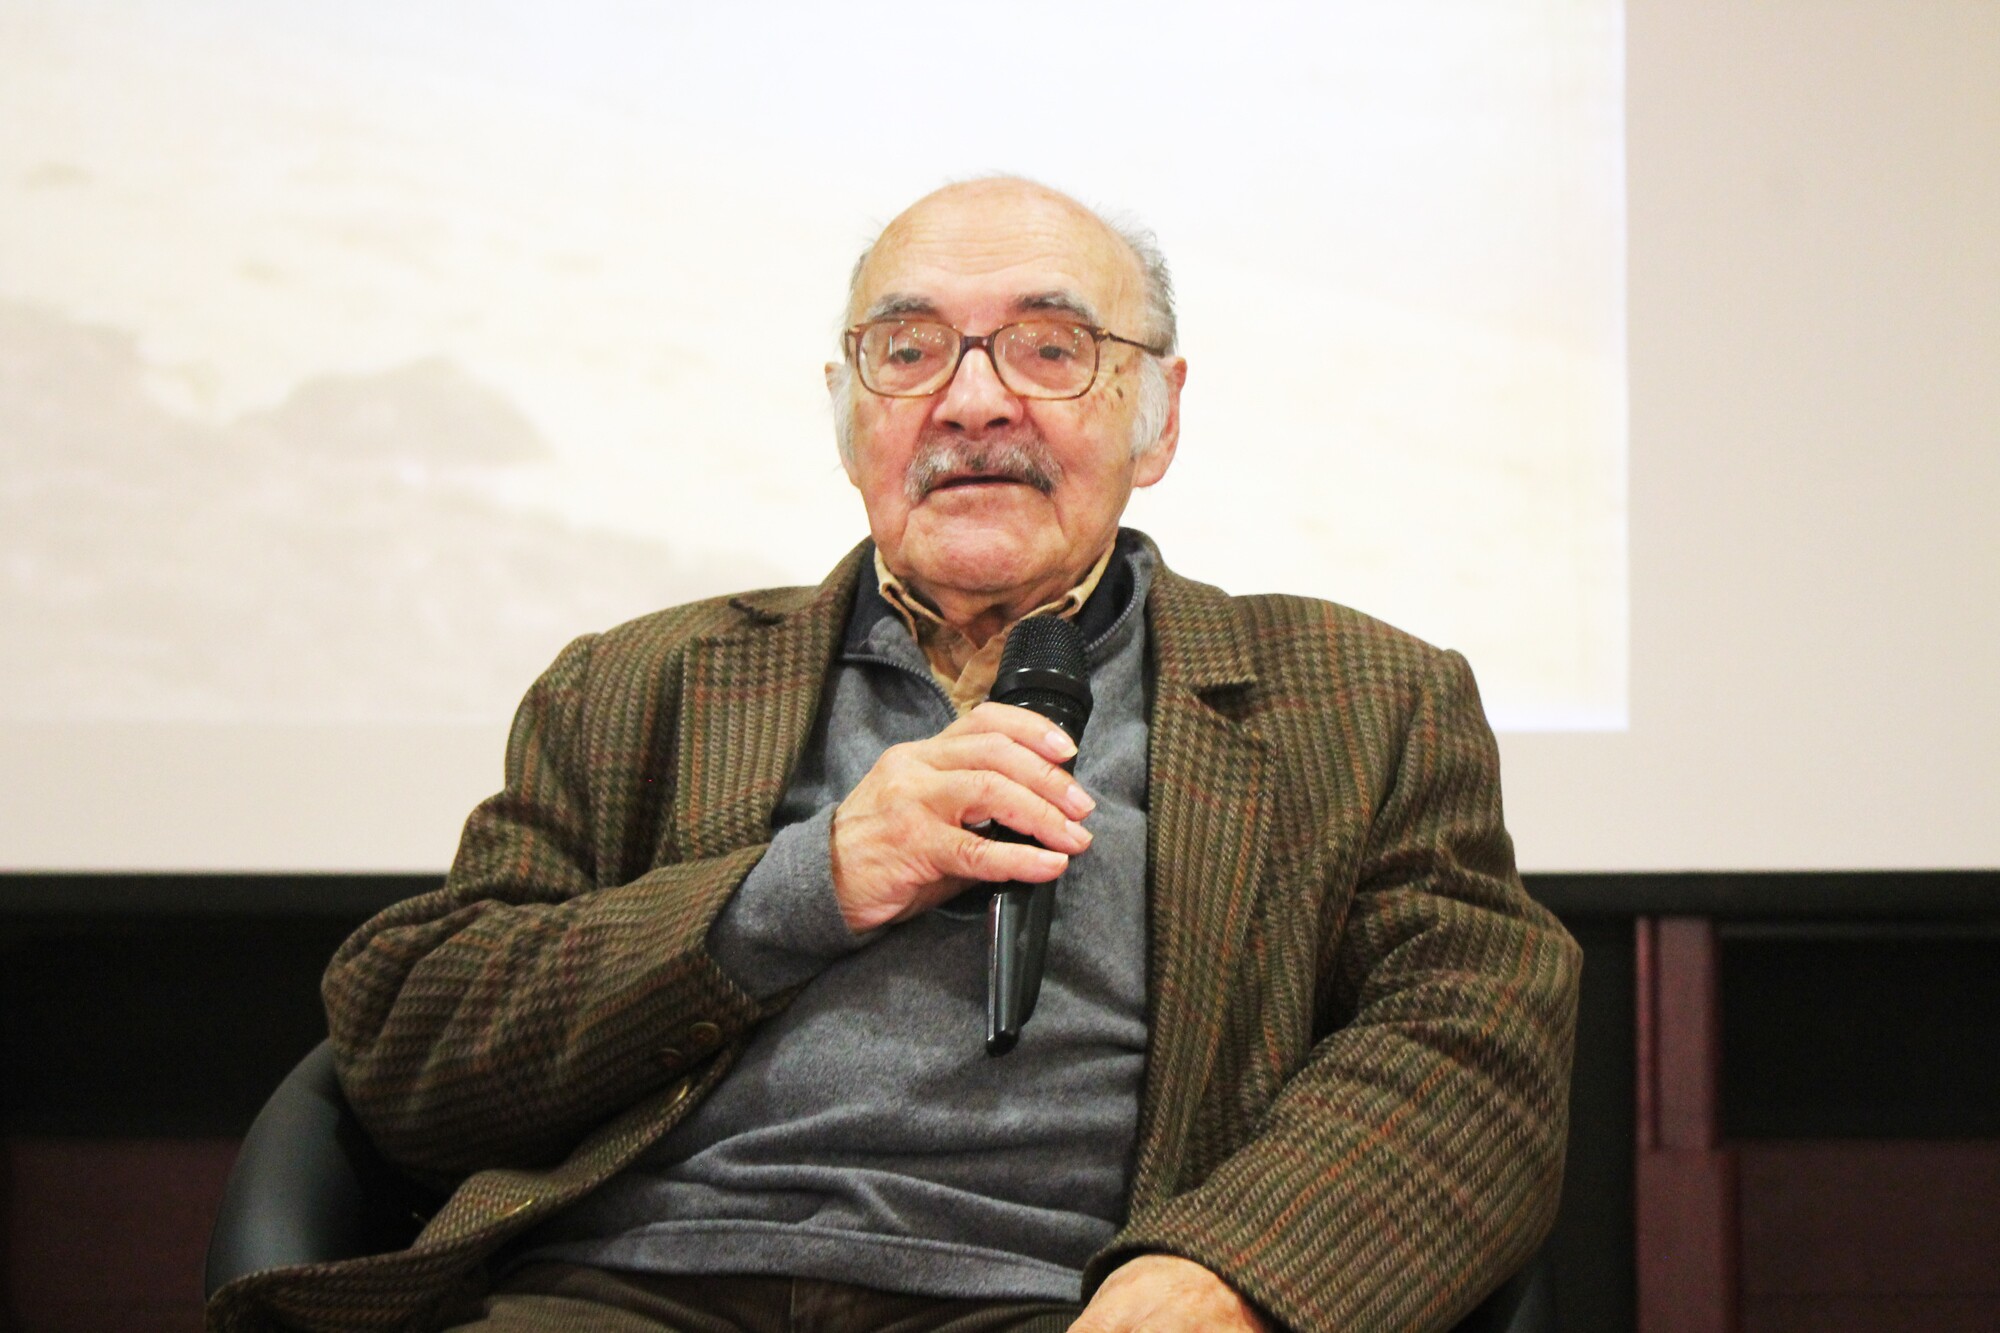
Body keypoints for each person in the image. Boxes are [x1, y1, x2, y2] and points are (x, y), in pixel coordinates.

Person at [207, 177, 1580, 1333]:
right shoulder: (640, 682)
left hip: (1048, 1300)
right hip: (628, 1289)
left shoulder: (1360, 700)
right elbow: (412, 1046)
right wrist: (798, 886)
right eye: (910, 350)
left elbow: (1475, 1040)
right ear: (849, 415)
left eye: (1050, 347)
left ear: (1159, 414)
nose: (974, 402)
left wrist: (1223, 1273)